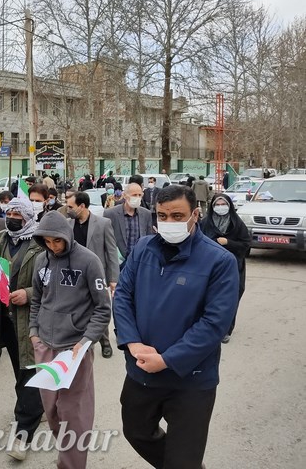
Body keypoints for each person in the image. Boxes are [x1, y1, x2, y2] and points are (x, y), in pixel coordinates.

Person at [113, 185, 239, 469]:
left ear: (195, 214)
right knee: (137, 432)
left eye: (177, 216)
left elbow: (214, 323)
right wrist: (132, 342)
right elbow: (122, 296)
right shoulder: (143, 249)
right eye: (162, 216)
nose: (168, 222)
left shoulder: (219, 261)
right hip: (142, 371)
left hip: (191, 381)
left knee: (184, 459)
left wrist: (168, 360)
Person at [29, 211, 111, 469]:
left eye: (57, 240)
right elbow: (36, 299)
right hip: (44, 345)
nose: (53, 246)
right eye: (47, 241)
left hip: (74, 350)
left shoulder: (89, 261)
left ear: (67, 235)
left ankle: (71, 464)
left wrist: (85, 341)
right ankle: (68, 453)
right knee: (52, 411)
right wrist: (33, 332)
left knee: (73, 414)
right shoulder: (41, 260)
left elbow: (103, 308)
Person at [0, 198, 44, 461]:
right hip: (5, 320)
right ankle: (34, 407)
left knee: (29, 371)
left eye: (18, 215)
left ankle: (23, 433)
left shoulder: (41, 243)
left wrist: (28, 293)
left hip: (30, 320)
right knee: (20, 369)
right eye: (9, 213)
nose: (12, 218)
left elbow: (50, 282)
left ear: (28, 217)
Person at [67, 191, 119, 359]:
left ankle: (105, 342)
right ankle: (80, 341)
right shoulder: (68, 224)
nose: (68, 210)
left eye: (71, 207)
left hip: (96, 275)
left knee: (99, 308)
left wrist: (113, 278)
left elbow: (111, 252)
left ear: (82, 206)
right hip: (74, 275)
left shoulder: (103, 223)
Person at [200, 193, 250, 343]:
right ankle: (206, 328)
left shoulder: (237, 224)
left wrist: (228, 242)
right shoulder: (205, 223)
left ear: (229, 206)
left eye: (224, 204)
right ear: (212, 206)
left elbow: (246, 244)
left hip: (234, 266)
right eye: (217, 204)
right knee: (208, 297)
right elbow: (198, 242)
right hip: (210, 266)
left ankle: (226, 330)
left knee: (230, 298)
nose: (220, 207)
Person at [104, 182, 153, 268]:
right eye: (134, 195)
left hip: (140, 262)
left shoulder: (146, 214)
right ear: (125, 195)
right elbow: (106, 240)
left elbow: (149, 238)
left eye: (140, 195)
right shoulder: (111, 214)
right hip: (119, 262)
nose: (137, 198)